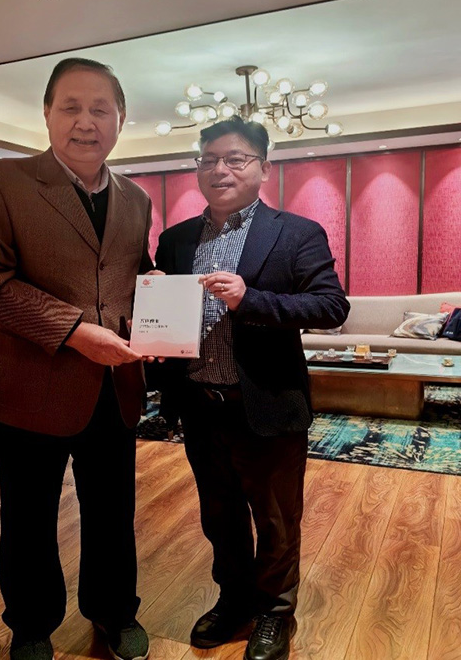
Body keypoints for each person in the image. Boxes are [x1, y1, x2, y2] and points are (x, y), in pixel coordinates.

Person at [0, 58, 153, 660]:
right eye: (71, 107)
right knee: (29, 516)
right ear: (46, 113)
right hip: (29, 388)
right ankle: (32, 625)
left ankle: (115, 611)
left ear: (121, 119)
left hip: (114, 386)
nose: (85, 122)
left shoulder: (136, 197)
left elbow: (128, 275)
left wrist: (157, 300)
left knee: (113, 512)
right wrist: (72, 331)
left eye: (100, 109)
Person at [154, 116, 350, 660]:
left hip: (267, 404)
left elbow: (331, 306)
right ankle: (234, 599)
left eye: (235, 159)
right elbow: (162, 312)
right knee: (219, 516)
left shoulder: (296, 233)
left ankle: (276, 613)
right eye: (208, 159)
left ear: (263, 168)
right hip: (201, 405)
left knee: (277, 519)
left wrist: (250, 299)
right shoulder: (175, 239)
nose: (220, 169)